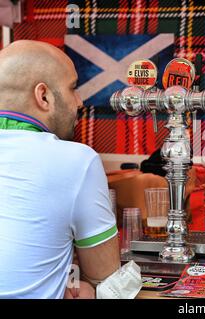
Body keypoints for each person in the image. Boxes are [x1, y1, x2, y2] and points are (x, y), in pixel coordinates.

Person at [0, 40, 120, 298]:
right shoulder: (76, 160)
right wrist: (82, 284)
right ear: (43, 96)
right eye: (72, 88)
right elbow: (107, 280)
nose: (79, 102)